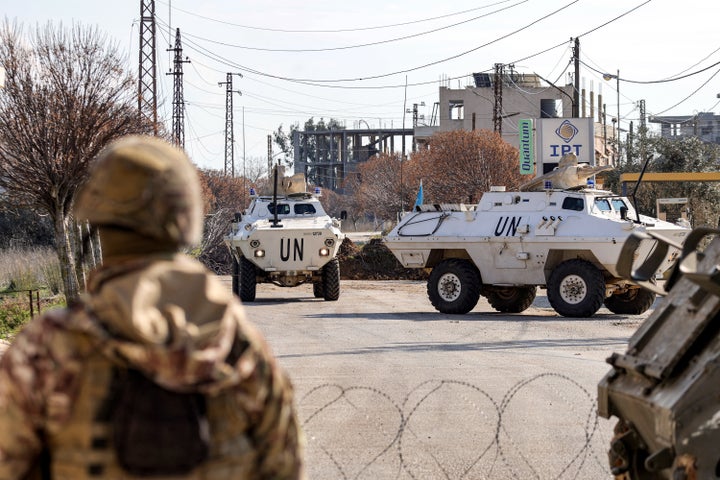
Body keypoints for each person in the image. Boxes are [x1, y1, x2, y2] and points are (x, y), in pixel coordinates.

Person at [0, 136, 305, 479]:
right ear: (186, 218)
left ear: (98, 223)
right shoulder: (238, 346)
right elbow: (283, 466)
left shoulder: (45, 347)